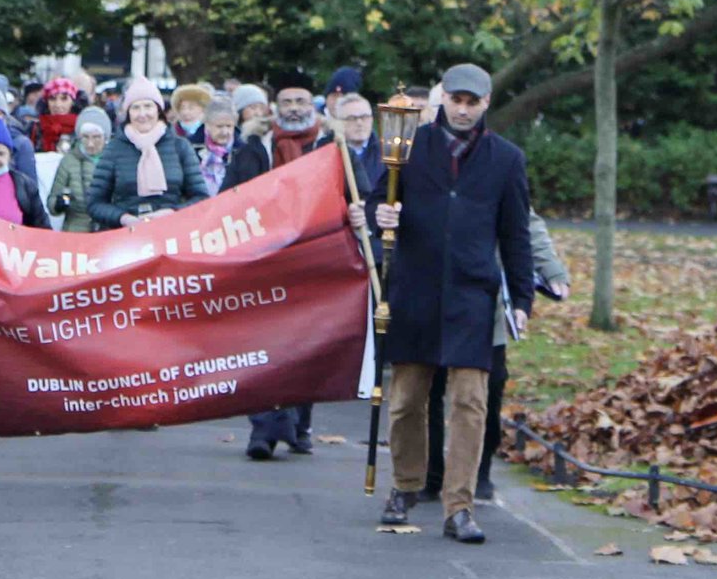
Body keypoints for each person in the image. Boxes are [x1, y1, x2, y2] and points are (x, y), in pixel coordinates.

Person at [375, 63, 533, 545]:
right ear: (443, 100)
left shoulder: (505, 159)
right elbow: (374, 200)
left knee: (469, 401)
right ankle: (406, 485)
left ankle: (459, 506)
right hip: (416, 287)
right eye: (456, 100)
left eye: (473, 102)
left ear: (486, 104)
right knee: (406, 399)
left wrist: (522, 297)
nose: (463, 110)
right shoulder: (407, 147)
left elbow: (515, 233)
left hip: (471, 293)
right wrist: (378, 212)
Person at [223, 69, 362, 459]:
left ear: (312, 104)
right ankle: (264, 431)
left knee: (305, 344)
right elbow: (227, 199)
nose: (294, 109)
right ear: (274, 107)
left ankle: (299, 424)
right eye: (287, 102)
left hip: (316, 257)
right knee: (262, 345)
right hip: (264, 258)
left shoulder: (333, 146)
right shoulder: (254, 147)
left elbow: (359, 193)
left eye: (301, 101)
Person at [422, 208, 569, 504]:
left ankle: (480, 471)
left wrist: (551, 269)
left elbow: (525, 222)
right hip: (430, 291)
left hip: (483, 297)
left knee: (489, 388)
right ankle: (430, 474)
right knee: (426, 388)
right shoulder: (422, 163)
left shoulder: (496, 162)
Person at [84, 77, 208, 229]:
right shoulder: (114, 149)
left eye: (148, 106)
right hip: (125, 238)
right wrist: (123, 218)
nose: (142, 114)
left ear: (158, 110)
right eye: (135, 108)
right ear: (128, 112)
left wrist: (172, 213)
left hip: (172, 234)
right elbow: (95, 203)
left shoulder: (180, 147)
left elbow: (201, 198)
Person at [50, 107, 110, 232]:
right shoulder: (69, 161)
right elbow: (52, 201)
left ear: (106, 137)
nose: (90, 143)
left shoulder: (114, 160)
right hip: (75, 231)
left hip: (108, 229)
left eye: (96, 137)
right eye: (85, 137)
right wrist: (58, 204)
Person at [196, 98, 241, 197]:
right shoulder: (192, 146)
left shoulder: (243, 150)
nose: (225, 132)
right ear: (207, 125)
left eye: (229, 126)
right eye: (219, 126)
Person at [34, 77, 82, 154]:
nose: (58, 105)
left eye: (64, 99)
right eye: (52, 99)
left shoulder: (81, 127)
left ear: (73, 101)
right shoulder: (36, 127)